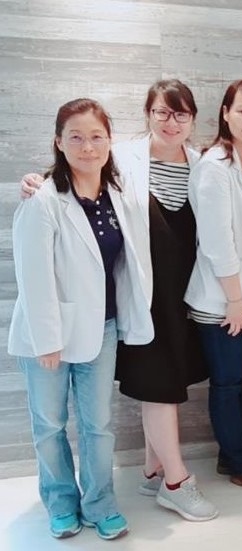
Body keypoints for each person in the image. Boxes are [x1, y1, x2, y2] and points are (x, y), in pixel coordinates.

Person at [20, 80, 219, 521]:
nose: (171, 122)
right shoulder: (122, 160)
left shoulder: (202, 164)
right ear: (147, 114)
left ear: (193, 120)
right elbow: (73, 176)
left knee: (129, 406)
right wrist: (36, 180)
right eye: (162, 112)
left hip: (174, 300)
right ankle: (172, 481)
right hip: (139, 300)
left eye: (181, 114)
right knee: (142, 392)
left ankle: (146, 475)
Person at [8, 98, 150, 540]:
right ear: (58, 142)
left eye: (96, 137)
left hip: (101, 328)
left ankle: (100, 503)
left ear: (110, 141)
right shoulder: (44, 200)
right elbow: (33, 275)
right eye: (76, 137)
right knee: (50, 424)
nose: (87, 147)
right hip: (48, 333)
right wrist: (47, 340)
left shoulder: (119, 195)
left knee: (98, 425)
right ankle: (60, 502)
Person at [185, 80, 242, 493]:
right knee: (228, 381)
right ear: (225, 113)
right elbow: (217, 241)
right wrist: (235, 299)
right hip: (220, 298)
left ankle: (232, 451)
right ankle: (240, 461)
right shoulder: (215, 166)